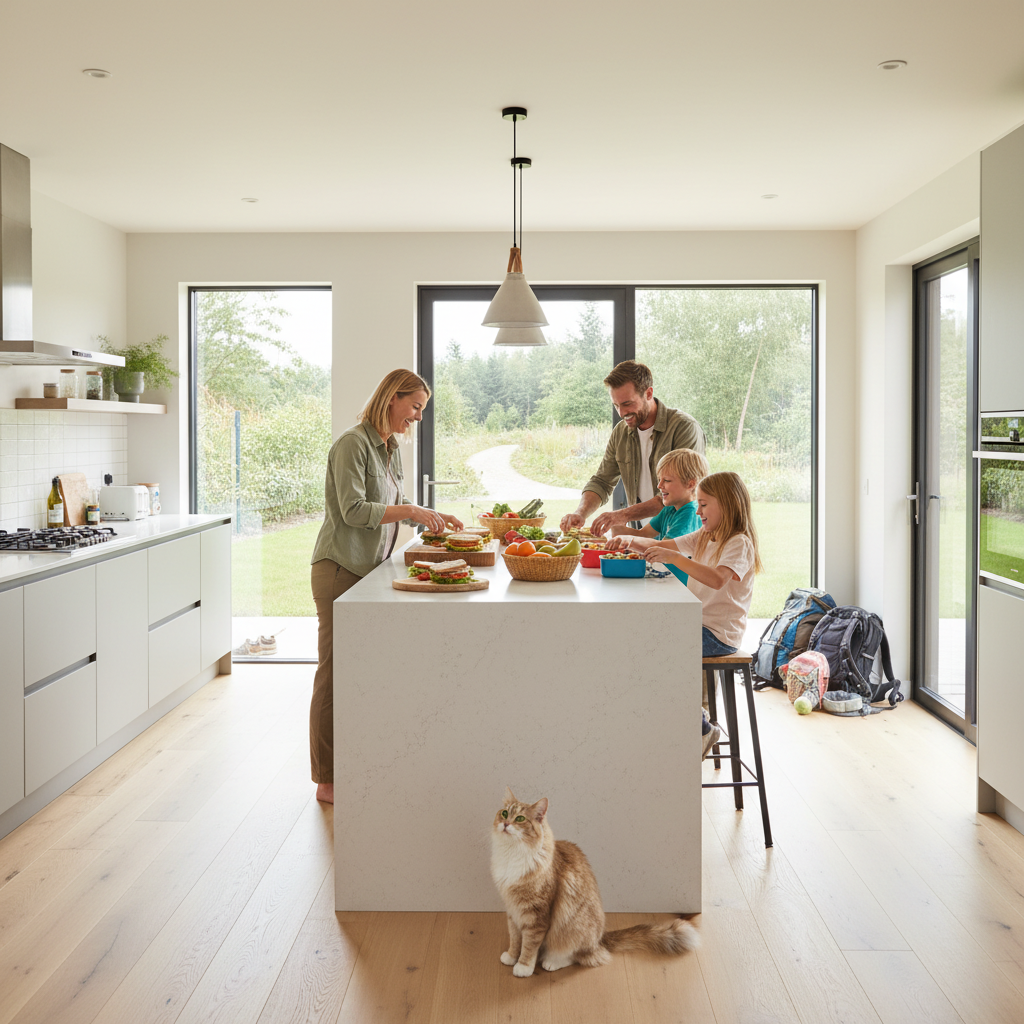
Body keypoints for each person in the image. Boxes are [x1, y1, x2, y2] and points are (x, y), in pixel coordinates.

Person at [308, 369, 464, 804]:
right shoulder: (351, 444)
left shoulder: (389, 448)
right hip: (340, 568)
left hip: (369, 567)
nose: (417, 417)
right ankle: (327, 779)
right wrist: (412, 510)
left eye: (421, 410)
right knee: (334, 674)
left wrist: (429, 516)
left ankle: (362, 761)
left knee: (364, 670)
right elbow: (355, 510)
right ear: (391, 398)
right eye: (414, 407)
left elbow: (392, 506)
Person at [611, 471, 762, 758]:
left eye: (704, 505)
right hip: (696, 625)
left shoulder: (738, 543)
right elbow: (664, 546)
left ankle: (700, 727)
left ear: (728, 504)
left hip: (718, 635)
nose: (699, 511)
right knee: (641, 644)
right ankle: (678, 723)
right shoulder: (707, 536)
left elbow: (718, 579)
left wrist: (677, 559)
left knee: (652, 655)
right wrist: (629, 541)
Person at [559, 360, 706, 537]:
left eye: (627, 404)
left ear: (649, 393)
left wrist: (622, 515)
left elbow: (684, 492)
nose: (621, 413)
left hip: (682, 535)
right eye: (616, 405)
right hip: (643, 537)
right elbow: (602, 481)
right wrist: (580, 513)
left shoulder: (684, 427)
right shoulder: (621, 432)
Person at [609, 447, 709, 584]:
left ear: (690, 484)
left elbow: (664, 547)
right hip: (664, 579)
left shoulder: (690, 513)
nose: (659, 485)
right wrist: (616, 527)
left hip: (679, 586)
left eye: (666, 480)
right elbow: (644, 534)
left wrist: (628, 540)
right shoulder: (669, 509)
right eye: (659, 479)